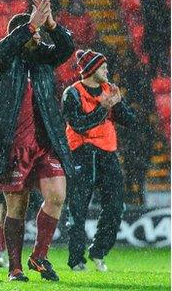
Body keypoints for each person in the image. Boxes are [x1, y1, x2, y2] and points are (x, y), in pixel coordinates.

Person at [0, 0, 76, 282]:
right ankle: (15, 267)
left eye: (38, 34)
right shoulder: (0, 60)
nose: (38, 38)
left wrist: (51, 25)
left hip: (46, 142)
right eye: (33, 33)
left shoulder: (43, 60)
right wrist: (31, 24)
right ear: (19, 35)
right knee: (17, 207)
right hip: (12, 144)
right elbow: (2, 50)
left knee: (57, 195)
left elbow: (67, 48)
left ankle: (39, 256)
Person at [62, 49, 136, 272]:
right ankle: (76, 260)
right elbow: (79, 125)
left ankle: (98, 250)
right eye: (103, 67)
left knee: (116, 206)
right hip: (82, 154)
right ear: (92, 69)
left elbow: (130, 121)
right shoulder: (72, 93)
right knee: (78, 209)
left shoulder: (109, 90)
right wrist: (103, 108)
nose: (107, 70)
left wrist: (117, 104)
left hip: (107, 155)